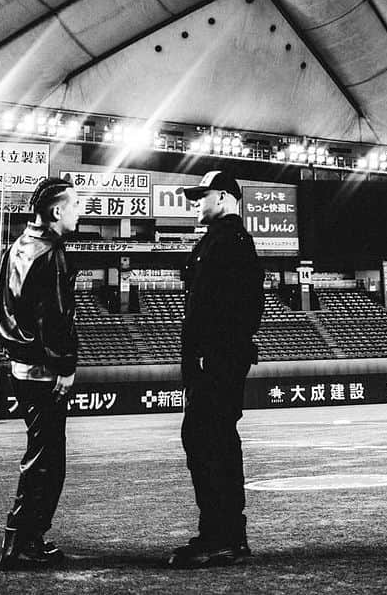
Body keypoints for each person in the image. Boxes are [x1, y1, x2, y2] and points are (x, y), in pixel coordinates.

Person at [169, 169, 264, 569]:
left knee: (210, 441)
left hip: (218, 361)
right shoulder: (222, 240)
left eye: (201, 196)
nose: (195, 202)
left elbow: (244, 306)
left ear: (223, 198)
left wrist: (216, 352)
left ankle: (220, 536)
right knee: (211, 440)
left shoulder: (230, 241)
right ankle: (226, 534)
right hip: (214, 359)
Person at [0, 176, 81, 571]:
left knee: (40, 454)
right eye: (75, 204)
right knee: (47, 460)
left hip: (20, 364)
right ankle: (23, 542)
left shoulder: (17, 247)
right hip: (44, 369)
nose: (80, 211)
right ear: (57, 211)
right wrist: (65, 366)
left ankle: (25, 539)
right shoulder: (51, 252)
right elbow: (57, 317)